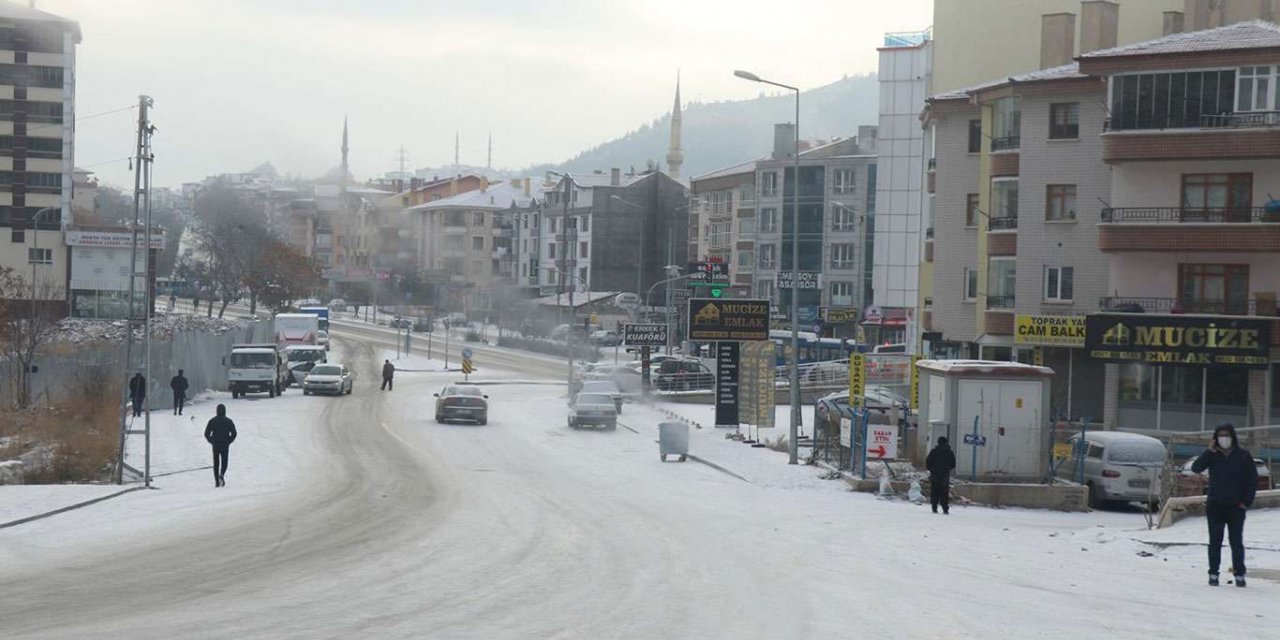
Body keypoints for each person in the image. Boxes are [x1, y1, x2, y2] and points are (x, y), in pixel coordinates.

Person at [1191, 422, 1258, 587]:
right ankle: (1213, 573)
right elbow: (1196, 468)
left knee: (1236, 542)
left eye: (1226, 435)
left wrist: (1245, 502)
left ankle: (1239, 574)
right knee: (1215, 540)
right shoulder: (1212, 455)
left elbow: (1251, 481)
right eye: (1220, 435)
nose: (1224, 438)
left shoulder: (1242, 456)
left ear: (1232, 436)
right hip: (1215, 505)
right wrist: (1209, 451)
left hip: (1236, 506)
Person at [204, 404, 237, 488]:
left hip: (215, 444)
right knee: (224, 462)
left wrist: (211, 440)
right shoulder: (228, 421)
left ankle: (216, 481)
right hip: (225, 444)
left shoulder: (212, 421)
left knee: (216, 463)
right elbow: (234, 433)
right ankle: (221, 474)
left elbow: (206, 433)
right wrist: (229, 440)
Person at [926, 436, 956, 515]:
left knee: (935, 490)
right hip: (945, 475)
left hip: (935, 474)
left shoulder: (934, 451)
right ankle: (945, 508)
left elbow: (928, 462)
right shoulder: (949, 452)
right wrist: (947, 468)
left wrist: (932, 469)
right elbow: (953, 464)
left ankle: (934, 507)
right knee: (944, 492)